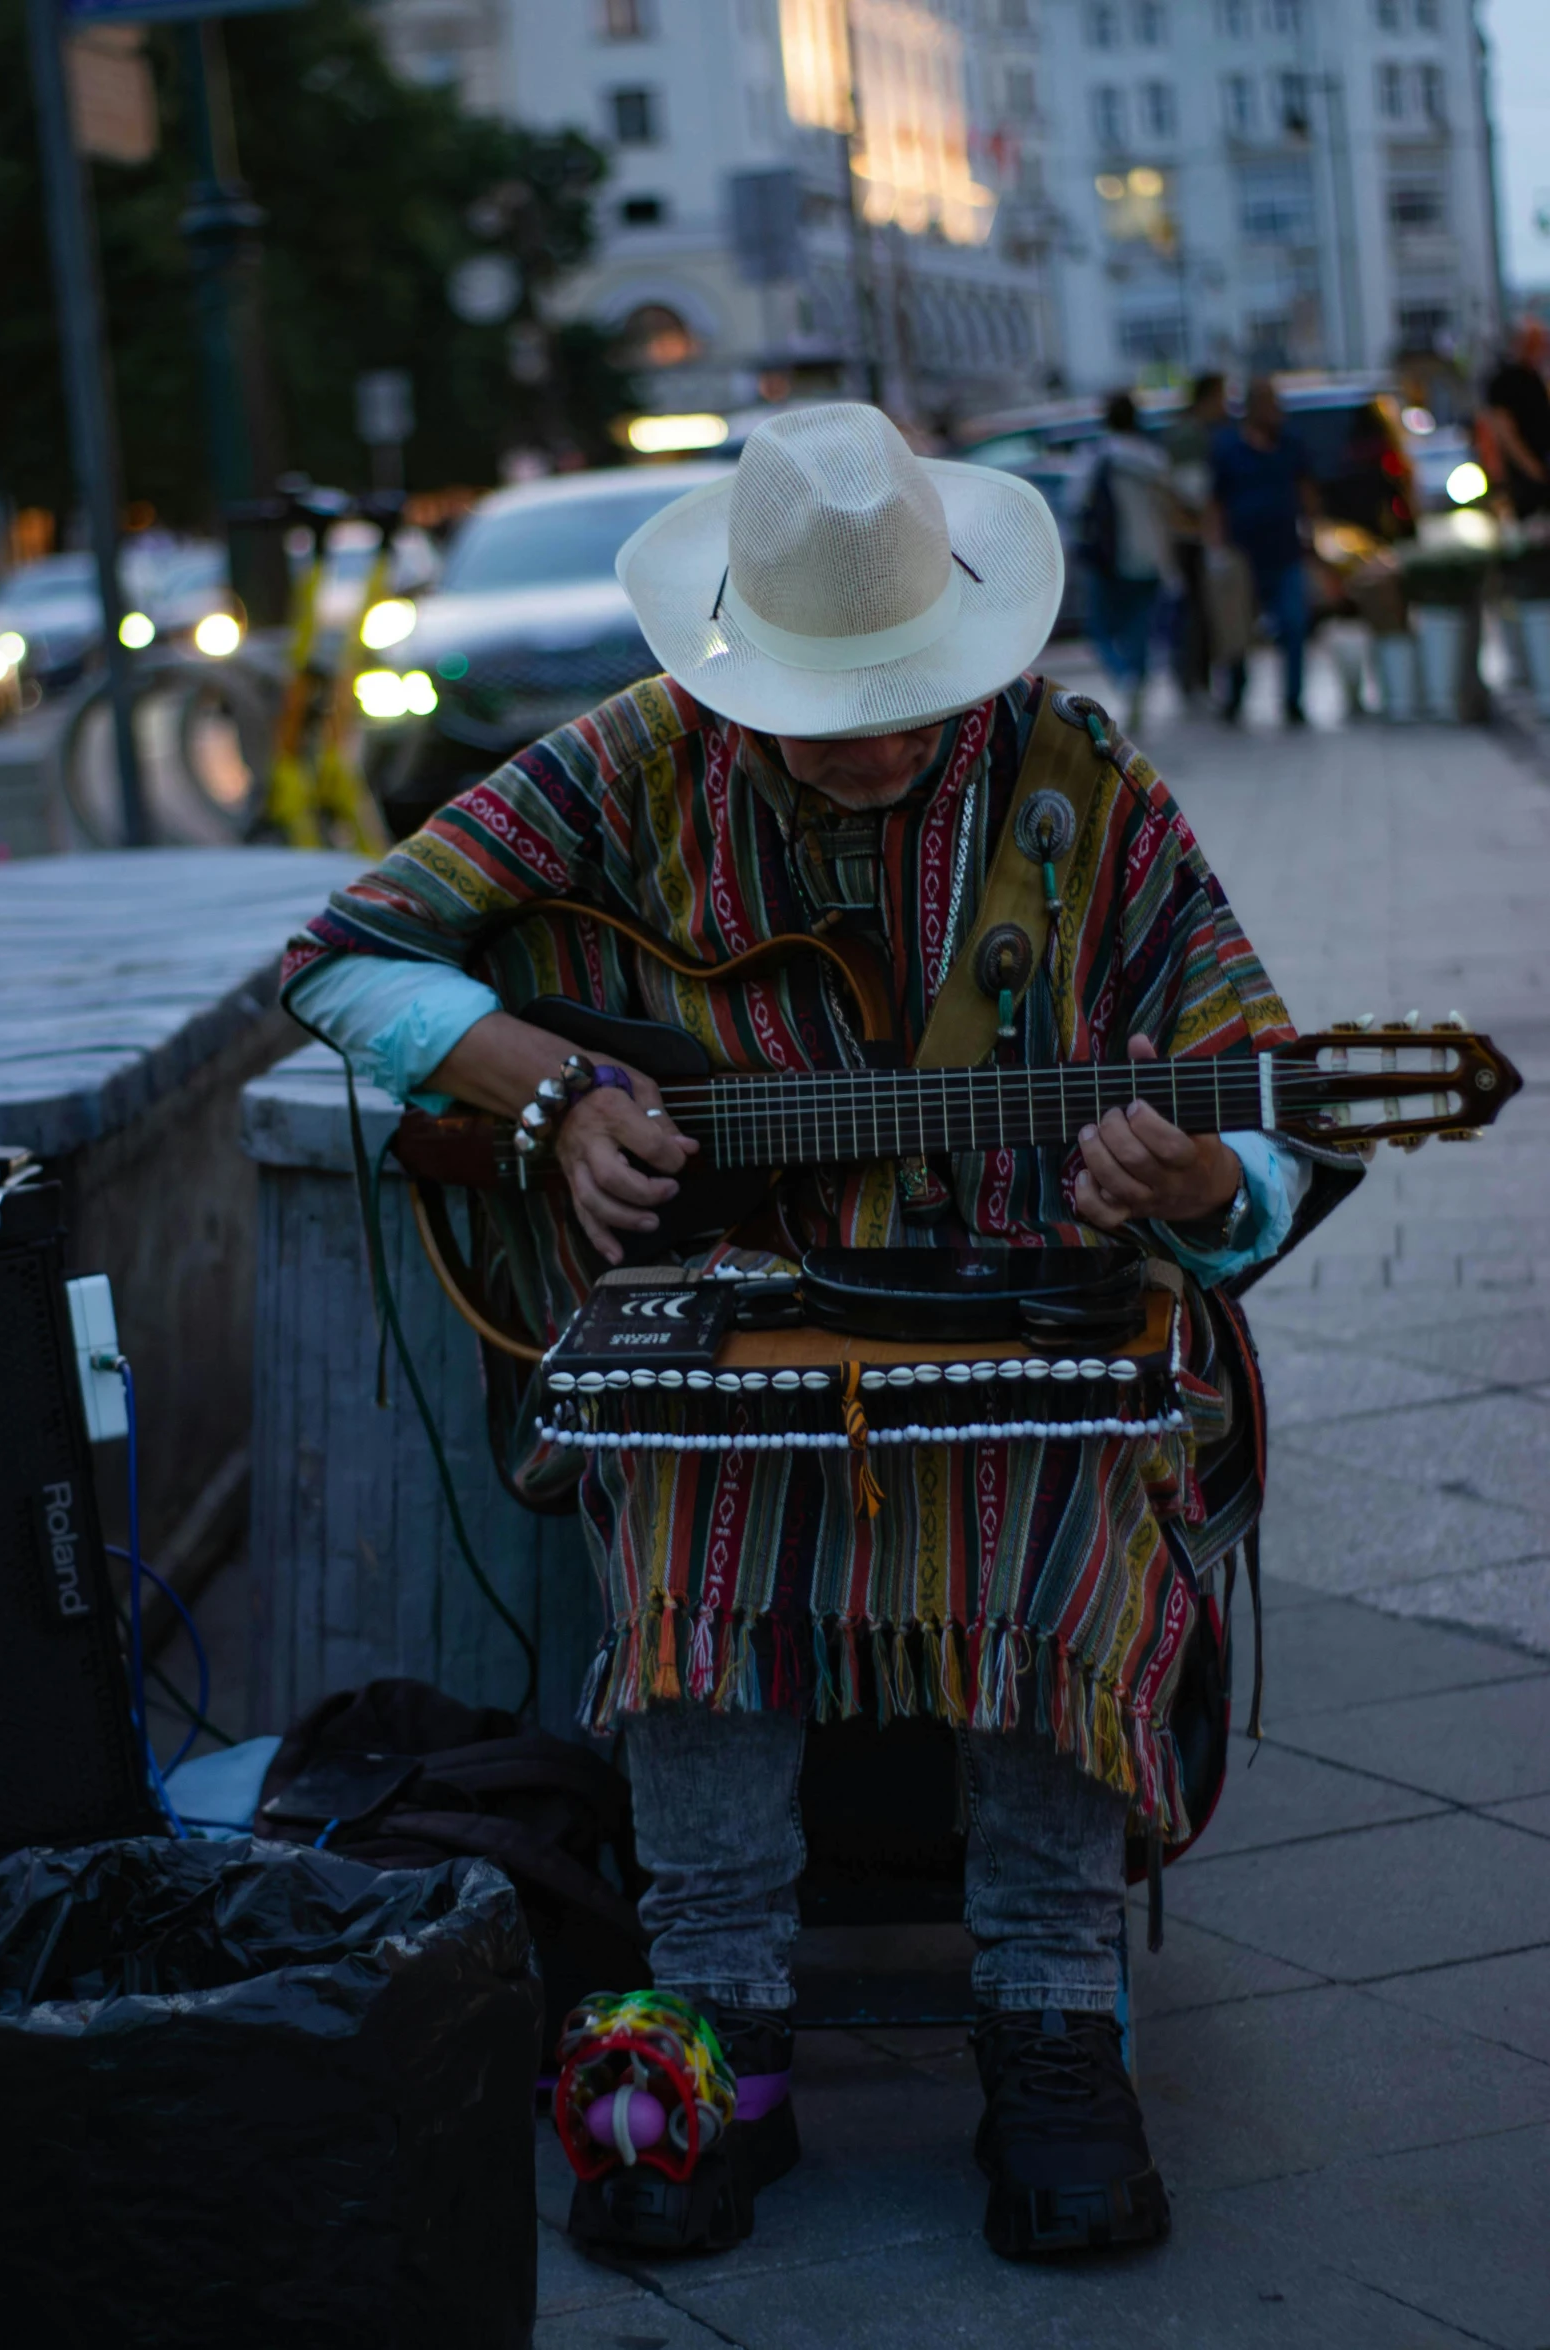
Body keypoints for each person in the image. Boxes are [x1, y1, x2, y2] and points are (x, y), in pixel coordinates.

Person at [283, 406, 1353, 2264]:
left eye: (898, 695)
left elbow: (1268, 1108)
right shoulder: (627, 759)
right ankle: (717, 2036)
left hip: (1019, 1315)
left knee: (1073, 1513)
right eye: (814, 704)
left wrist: (1194, 1182)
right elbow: (345, 954)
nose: (862, 741)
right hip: (731, 1329)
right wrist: (546, 1096)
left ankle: (1050, 2023)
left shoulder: (1078, 787)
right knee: (688, 1534)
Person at [1209, 376, 1317, 727]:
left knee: (1294, 624)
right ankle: (1236, 694)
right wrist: (1217, 546)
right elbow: (1216, 501)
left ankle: (1293, 701)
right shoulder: (1229, 449)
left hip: (1286, 552)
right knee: (1237, 629)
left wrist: (1313, 536)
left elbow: (1306, 490)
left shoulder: (1291, 444)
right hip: (1242, 555)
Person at [1075, 390, 1175, 733]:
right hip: (1151, 556)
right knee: (1139, 628)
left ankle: (1124, 676)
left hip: (1110, 556)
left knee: (1100, 627)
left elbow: (1077, 502)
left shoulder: (1097, 457)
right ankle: (1136, 680)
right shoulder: (1154, 458)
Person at [1163, 372, 1229, 704]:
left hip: (1196, 533)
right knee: (1199, 608)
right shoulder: (1191, 435)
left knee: (1201, 607)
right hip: (1192, 535)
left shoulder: (1199, 432)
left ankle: (1198, 675)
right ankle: (1194, 676)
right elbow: (1192, 490)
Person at [1482, 319, 1550, 520]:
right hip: (1524, 476)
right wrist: (1534, 470)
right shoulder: (1506, 381)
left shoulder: (1535, 376)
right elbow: (1505, 433)